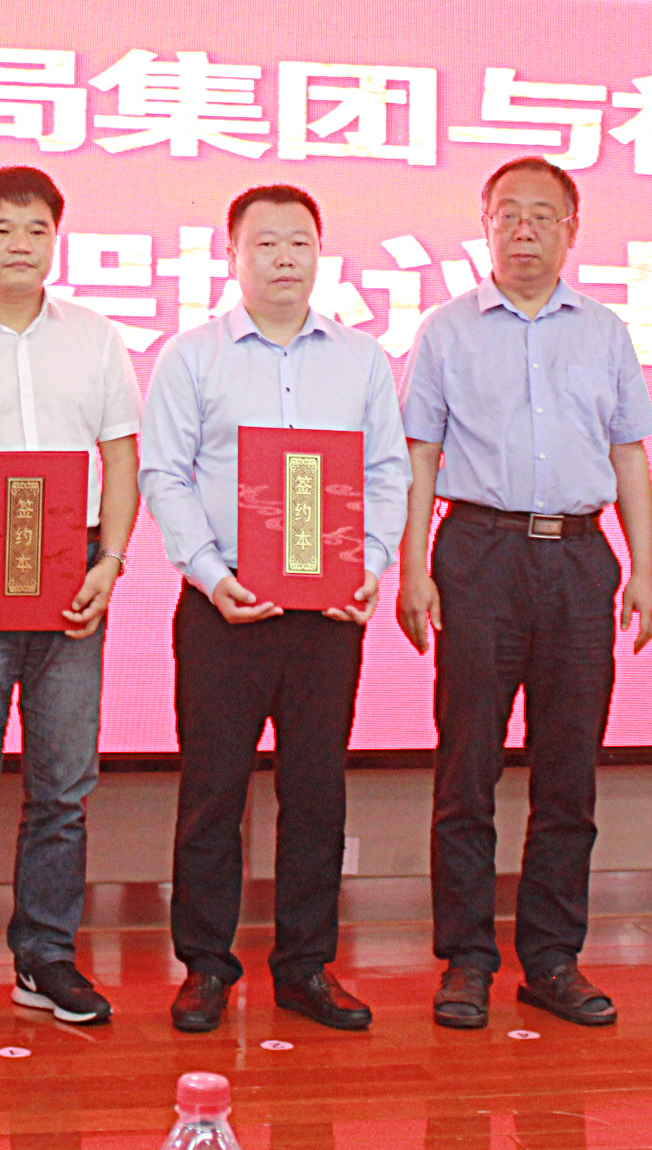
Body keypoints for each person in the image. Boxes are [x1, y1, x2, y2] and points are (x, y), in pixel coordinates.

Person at [396, 157, 652, 1032]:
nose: (523, 230)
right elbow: (419, 455)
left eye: (542, 215)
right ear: (485, 226)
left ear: (571, 230)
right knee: (466, 767)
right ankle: (467, 959)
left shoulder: (605, 330)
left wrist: (646, 567)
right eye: (507, 214)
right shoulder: (446, 329)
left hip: (580, 557)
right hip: (478, 550)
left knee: (569, 770)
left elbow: (629, 453)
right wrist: (412, 568)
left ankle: (551, 958)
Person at [140, 184, 407, 1035]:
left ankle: (305, 966)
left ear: (320, 253)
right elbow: (164, 473)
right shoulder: (192, 356)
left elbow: (388, 472)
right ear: (233, 255)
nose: (285, 257)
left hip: (327, 616)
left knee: (317, 792)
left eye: (300, 242)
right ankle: (205, 967)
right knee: (212, 792)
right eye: (266, 243)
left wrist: (370, 565)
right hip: (223, 609)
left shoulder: (361, 358)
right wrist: (209, 572)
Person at [0, 166, 141, 1034]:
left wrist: (111, 562)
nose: (20, 244)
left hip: (73, 569)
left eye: (37, 229)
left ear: (56, 240)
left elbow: (122, 457)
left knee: (63, 786)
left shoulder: (96, 338)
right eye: (1, 228)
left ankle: (46, 956)